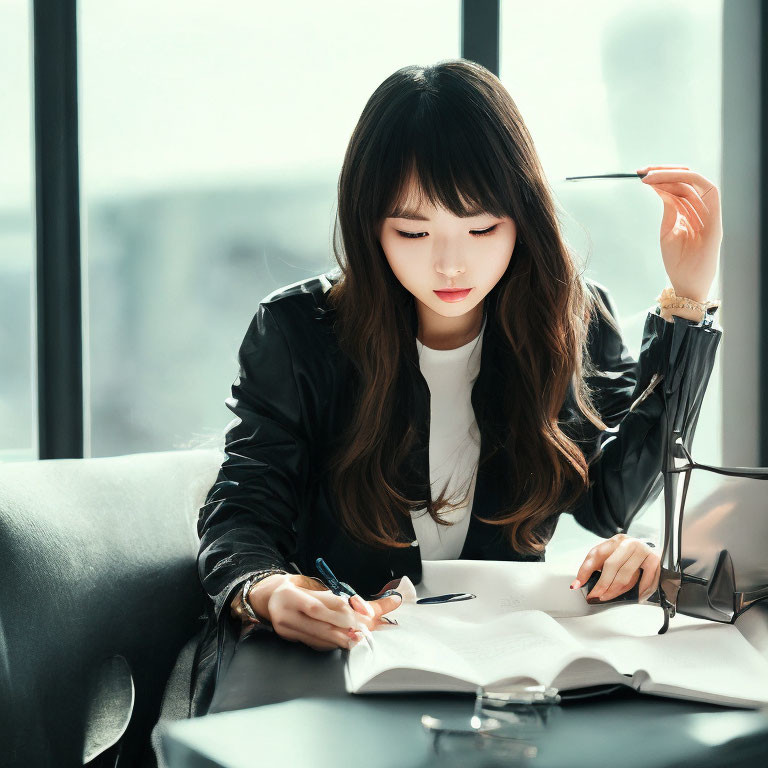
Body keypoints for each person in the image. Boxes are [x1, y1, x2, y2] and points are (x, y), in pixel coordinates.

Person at [191, 59, 723, 716]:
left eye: (481, 228)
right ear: (369, 225)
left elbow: (610, 499)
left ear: (522, 217)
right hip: (338, 658)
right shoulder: (298, 333)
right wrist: (267, 591)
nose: (450, 263)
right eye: (412, 231)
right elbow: (243, 512)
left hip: (493, 662)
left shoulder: (572, 321)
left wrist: (687, 306)